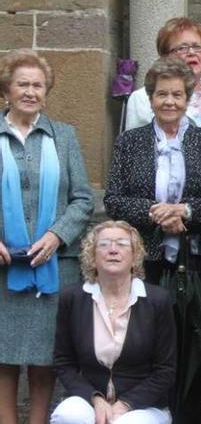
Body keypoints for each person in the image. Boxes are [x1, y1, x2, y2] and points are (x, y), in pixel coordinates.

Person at [0, 49, 94, 424]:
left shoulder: (64, 137)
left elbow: (83, 199)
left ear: (46, 91)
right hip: (2, 269)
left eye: (38, 85)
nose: (30, 91)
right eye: (22, 84)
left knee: (45, 358)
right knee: (3, 357)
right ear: (6, 89)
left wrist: (57, 235)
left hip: (53, 267)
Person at [105, 57, 201, 279]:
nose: (169, 101)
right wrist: (156, 212)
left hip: (197, 261)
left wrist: (184, 211)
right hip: (141, 259)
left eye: (177, 95)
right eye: (162, 94)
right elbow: (113, 200)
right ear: (151, 99)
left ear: (187, 99)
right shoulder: (129, 142)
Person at [51, 221, 176, 424]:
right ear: (91, 255)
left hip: (142, 406)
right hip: (90, 400)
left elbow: (165, 371)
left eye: (122, 244)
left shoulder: (157, 300)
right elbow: (64, 363)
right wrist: (96, 399)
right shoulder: (72, 298)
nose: (113, 250)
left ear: (135, 255)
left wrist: (124, 404)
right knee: (68, 415)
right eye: (104, 244)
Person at [124, 16, 201, 173]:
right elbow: (137, 158)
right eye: (182, 48)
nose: (191, 53)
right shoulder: (142, 99)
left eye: (197, 47)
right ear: (165, 57)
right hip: (176, 192)